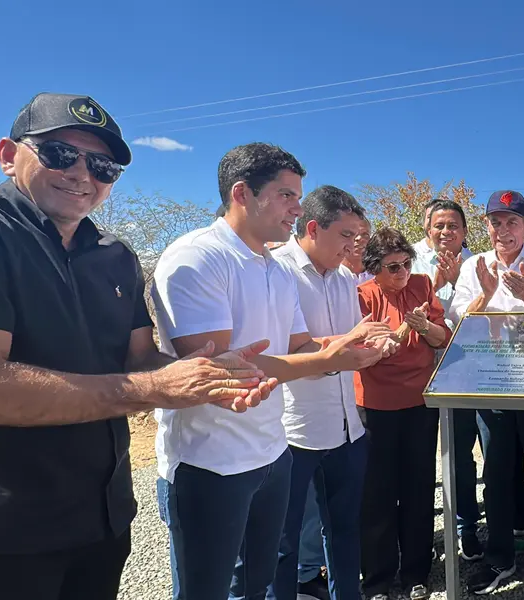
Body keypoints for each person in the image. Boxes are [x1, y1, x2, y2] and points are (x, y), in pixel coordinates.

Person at [0, 93, 276, 600]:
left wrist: (203, 378)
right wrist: (151, 386)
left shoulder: (115, 256)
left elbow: (140, 358)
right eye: (59, 154)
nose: (82, 174)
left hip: (103, 520)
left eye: (103, 165)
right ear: (9, 155)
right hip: (3, 531)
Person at [152, 142, 385, 600]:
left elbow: (297, 347)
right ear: (242, 194)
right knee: (214, 590)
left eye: (298, 197)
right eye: (286, 196)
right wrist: (331, 358)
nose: (297, 208)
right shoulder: (197, 258)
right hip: (210, 461)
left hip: (271, 451)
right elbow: (222, 369)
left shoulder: (272, 269)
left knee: (259, 585)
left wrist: (348, 345)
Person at [269, 185, 394, 600]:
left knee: (344, 531)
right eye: (345, 235)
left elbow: (353, 346)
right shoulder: (276, 271)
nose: (354, 245)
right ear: (312, 228)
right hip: (295, 430)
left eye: (359, 236)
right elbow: (291, 351)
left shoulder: (343, 279)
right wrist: (354, 341)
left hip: (346, 429)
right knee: (282, 543)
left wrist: (377, 346)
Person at [449, 191, 524, 600]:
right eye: (496, 222)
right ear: (486, 226)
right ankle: (500, 558)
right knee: (497, 475)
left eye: (512, 222)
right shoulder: (473, 265)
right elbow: (458, 324)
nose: (504, 230)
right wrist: (485, 295)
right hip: (492, 384)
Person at [356, 228, 452, 600]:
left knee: (418, 486)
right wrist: (396, 334)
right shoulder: (362, 296)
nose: (401, 273)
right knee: (377, 493)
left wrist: (425, 326)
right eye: (392, 266)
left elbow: (442, 337)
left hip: (419, 402)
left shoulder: (423, 285)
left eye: (406, 264)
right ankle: (377, 578)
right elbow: (364, 350)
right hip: (376, 405)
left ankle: (416, 571)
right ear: (374, 269)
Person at [409, 198, 486, 561]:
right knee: (422, 455)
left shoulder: (479, 263)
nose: (445, 232)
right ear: (427, 227)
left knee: (460, 452)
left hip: (465, 369)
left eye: (453, 225)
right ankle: (418, 537)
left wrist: (458, 281)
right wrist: (436, 283)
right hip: (417, 369)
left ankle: (465, 526)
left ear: (465, 230)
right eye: (439, 225)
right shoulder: (409, 259)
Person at [344, 217, 373, 285]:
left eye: (365, 235)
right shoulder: (329, 275)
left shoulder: (377, 278)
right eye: (353, 233)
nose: (359, 238)